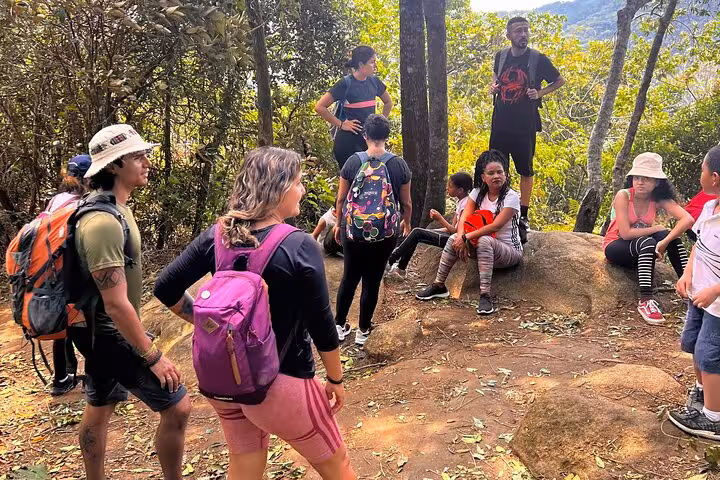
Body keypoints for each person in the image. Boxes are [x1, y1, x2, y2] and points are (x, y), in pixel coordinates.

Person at [153, 146, 357, 480]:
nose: (302, 190)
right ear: (277, 189)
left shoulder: (217, 235)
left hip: (225, 381)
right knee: (339, 468)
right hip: (280, 383)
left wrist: (210, 324)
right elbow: (322, 325)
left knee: (245, 465)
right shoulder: (298, 244)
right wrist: (335, 379)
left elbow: (165, 287)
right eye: (298, 182)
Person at [68, 124, 191, 480]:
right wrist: (151, 355)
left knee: (100, 405)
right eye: (137, 156)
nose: (146, 161)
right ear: (114, 166)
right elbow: (116, 304)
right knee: (178, 405)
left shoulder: (115, 209)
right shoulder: (102, 223)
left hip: (98, 331)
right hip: (108, 333)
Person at [333, 114, 412, 346]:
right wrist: (406, 222)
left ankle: (339, 326)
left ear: (365, 135)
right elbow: (406, 203)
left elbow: (340, 200)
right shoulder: (399, 164)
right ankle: (363, 330)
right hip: (384, 231)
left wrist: (339, 224)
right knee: (372, 280)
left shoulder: (352, 162)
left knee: (349, 277)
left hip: (353, 228)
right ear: (387, 136)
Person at [416, 150, 523, 315]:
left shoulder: (511, 197)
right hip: (480, 245)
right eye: (491, 173)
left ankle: (485, 295)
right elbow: (464, 218)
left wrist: (466, 237)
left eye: (500, 172)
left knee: (485, 240)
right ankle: (439, 285)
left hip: (508, 251)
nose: (496, 176)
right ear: (483, 177)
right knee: (453, 238)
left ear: (506, 174)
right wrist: (460, 237)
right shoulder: (477, 194)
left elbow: (495, 226)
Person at [489, 16, 565, 239]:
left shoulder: (538, 59)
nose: (523, 34)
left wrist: (539, 93)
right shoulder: (501, 56)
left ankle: (523, 214)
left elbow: (559, 80)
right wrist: (494, 86)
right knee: (496, 168)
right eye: (518, 31)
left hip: (524, 125)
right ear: (509, 35)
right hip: (500, 123)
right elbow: (496, 78)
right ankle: (498, 207)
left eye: (525, 30)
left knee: (525, 170)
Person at [602, 152, 693, 325]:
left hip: (641, 248)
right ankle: (646, 300)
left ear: (656, 182)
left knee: (669, 237)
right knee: (649, 241)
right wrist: (656, 229)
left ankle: (688, 289)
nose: (640, 182)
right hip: (616, 246)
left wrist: (665, 241)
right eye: (637, 177)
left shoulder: (656, 199)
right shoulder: (624, 196)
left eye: (646, 178)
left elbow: (688, 219)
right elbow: (626, 233)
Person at [670, 146, 720, 440]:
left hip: (716, 302)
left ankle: (714, 418)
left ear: (714, 177)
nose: (699, 174)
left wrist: (715, 290)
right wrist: (687, 274)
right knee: (693, 344)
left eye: (702, 169)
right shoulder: (708, 209)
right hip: (699, 295)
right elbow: (699, 247)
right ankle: (702, 395)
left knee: (711, 354)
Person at [45, 154, 91, 396]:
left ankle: (62, 378)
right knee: (81, 323)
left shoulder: (56, 201)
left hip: (50, 274)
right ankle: (96, 376)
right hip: (70, 275)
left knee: (64, 327)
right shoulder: (79, 205)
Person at [314, 46, 393, 169]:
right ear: (361, 65)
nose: (375, 65)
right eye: (372, 62)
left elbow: (388, 103)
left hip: (368, 141)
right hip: (347, 143)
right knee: (350, 183)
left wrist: (380, 123)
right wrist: (341, 124)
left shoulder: (374, 82)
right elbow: (320, 107)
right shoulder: (345, 83)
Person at [386, 171, 473, 279]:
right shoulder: (460, 202)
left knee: (417, 233)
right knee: (416, 233)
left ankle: (390, 260)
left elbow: (456, 232)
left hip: (455, 241)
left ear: (460, 190)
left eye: (450, 186)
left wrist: (439, 218)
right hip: (451, 236)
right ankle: (401, 268)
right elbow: (451, 228)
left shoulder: (466, 205)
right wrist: (430, 232)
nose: (447, 188)